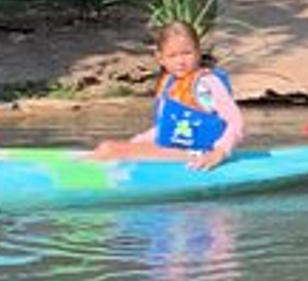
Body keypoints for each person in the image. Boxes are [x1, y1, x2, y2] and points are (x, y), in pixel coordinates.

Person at [90, 21, 244, 170]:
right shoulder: (169, 84)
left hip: (200, 153)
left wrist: (219, 152)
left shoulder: (208, 82)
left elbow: (235, 121)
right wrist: (135, 144)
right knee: (108, 147)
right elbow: (165, 129)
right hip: (174, 148)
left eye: (187, 53)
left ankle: (78, 175)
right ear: (161, 58)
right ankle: (82, 166)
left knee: (111, 150)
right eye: (173, 56)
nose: (181, 62)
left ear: (198, 52)